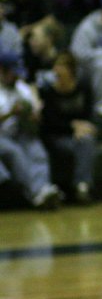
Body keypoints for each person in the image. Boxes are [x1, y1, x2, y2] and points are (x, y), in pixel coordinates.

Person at [0, 51, 60, 209]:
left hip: (21, 133)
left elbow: (35, 116)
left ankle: (44, 189)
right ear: (2, 70)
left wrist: (34, 116)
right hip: (2, 136)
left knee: (37, 150)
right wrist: (10, 113)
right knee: (15, 153)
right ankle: (36, 193)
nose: (17, 77)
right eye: (13, 73)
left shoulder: (22, 88)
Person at [38, 52, 97, 204]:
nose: (56, 70)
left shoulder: (83, 87)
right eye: (55, 66)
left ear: (71, 70)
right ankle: (79, 185)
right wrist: (72, 127)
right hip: (57, 136)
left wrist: (83, 126)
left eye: (61, 66)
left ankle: (82, 187)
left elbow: (89, 114)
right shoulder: (49, 91)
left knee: (86, 140)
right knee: (82, 144)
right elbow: (49, 124)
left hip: (79, 134)